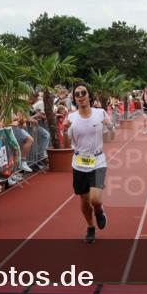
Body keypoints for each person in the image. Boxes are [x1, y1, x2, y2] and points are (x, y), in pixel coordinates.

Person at [64, 82, 113, 243]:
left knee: (95, 199)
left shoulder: (100, 114)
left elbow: (110, 138)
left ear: (89, 96)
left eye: (83, 93)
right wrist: (64, 130)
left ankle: (99, 211)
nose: (80, 96)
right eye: (77, 94)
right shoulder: (71, 117)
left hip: (98, 161)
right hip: (79, 162)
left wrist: (110, 126)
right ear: (74, 99)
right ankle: (90, 227)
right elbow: (66, 143)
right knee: (84, 200)